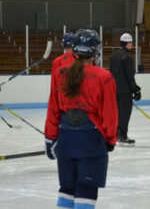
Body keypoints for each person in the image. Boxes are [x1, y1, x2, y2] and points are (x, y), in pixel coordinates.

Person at [45, 29, 118, 209]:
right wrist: (110, 139)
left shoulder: (60, 73)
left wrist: (50, 138)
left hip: (65, 139)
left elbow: (53, 108)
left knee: (67, 189)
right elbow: (110, 114)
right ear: (94, 51)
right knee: (86, 190)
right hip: (91, 141)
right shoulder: (104, 76)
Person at [109, 33, 141, 145]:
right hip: (124, 91)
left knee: (117, 113)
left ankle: (116, 134)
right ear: (128, 43)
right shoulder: (127, 57)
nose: (132, 45)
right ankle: (122, 135)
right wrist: (136, 90)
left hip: (113, 90)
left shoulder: (113, 56)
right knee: (125, 113)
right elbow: (129, 76)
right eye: (131, 42)